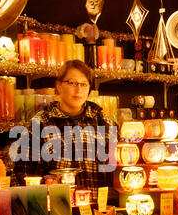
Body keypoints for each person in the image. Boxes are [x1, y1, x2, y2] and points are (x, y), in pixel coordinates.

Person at [10, 60, 118, 200]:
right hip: (57, 214)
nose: (78, 89)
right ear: (59, 85)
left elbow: (119, 170)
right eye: (72, 83)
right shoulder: (41, 124)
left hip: (100, 212)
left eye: (84, 84)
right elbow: (22, 178)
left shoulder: (104, 122)